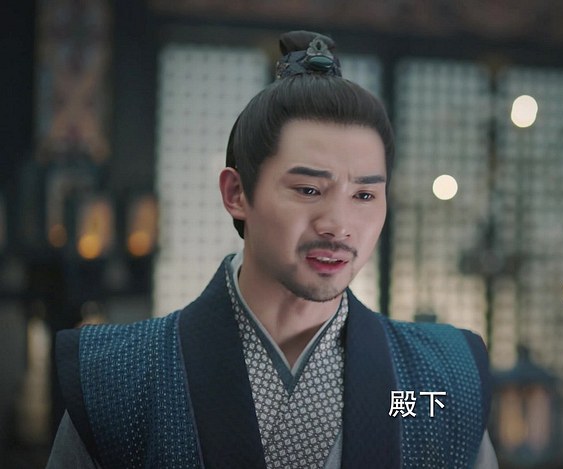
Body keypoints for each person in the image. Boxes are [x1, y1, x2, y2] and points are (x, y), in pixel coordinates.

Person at [47, 31, 497, 468]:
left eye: (364, 195)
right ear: (237, 193)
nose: (338, 225)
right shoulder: (119, 377)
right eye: (308, 189)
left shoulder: (445, 380)